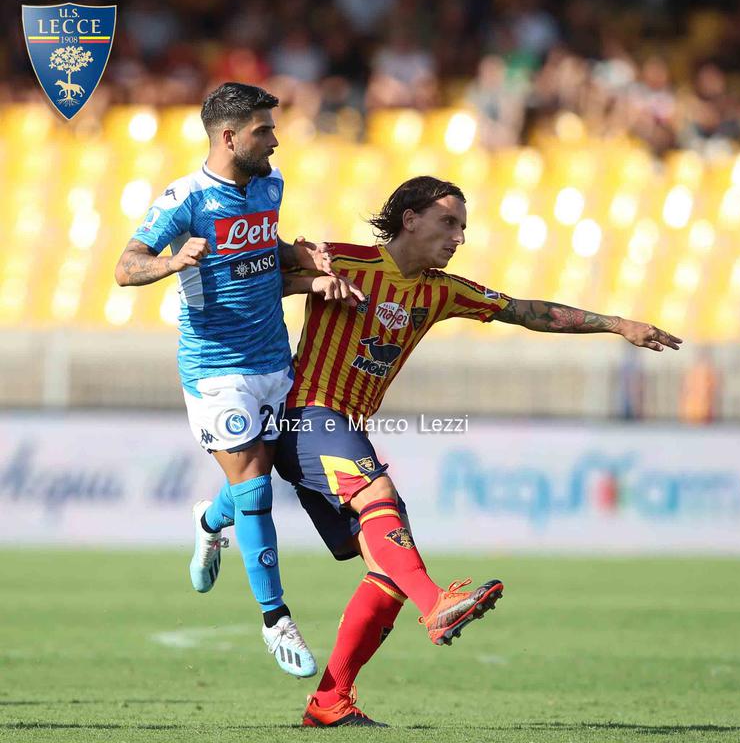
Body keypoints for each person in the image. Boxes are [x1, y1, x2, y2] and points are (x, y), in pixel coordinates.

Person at [276, 176, 681, 726]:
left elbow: (525, 311)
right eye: (448, 222)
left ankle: (330, 701)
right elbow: (251, 281)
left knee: (390, 570)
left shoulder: (442, 291)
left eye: (463, 227)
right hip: (305, 415)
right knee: (380, 497)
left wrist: (616, 324)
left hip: (347, 428)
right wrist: (309, 281)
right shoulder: (343, 260)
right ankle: (436, 605)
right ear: (410, 219)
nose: (459, 237)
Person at [113, 82, 362, 678]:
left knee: (255, 479)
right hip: (216, 367)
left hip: (273, 360)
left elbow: (260, 257)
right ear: (229, 137)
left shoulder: (269, 187)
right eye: (263, 130)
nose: (274, 140)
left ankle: (208, 522)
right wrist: (172, 262)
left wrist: (302, 263)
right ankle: (276, 619)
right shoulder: (186, 199)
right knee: (254, 492)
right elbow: (125, 267)